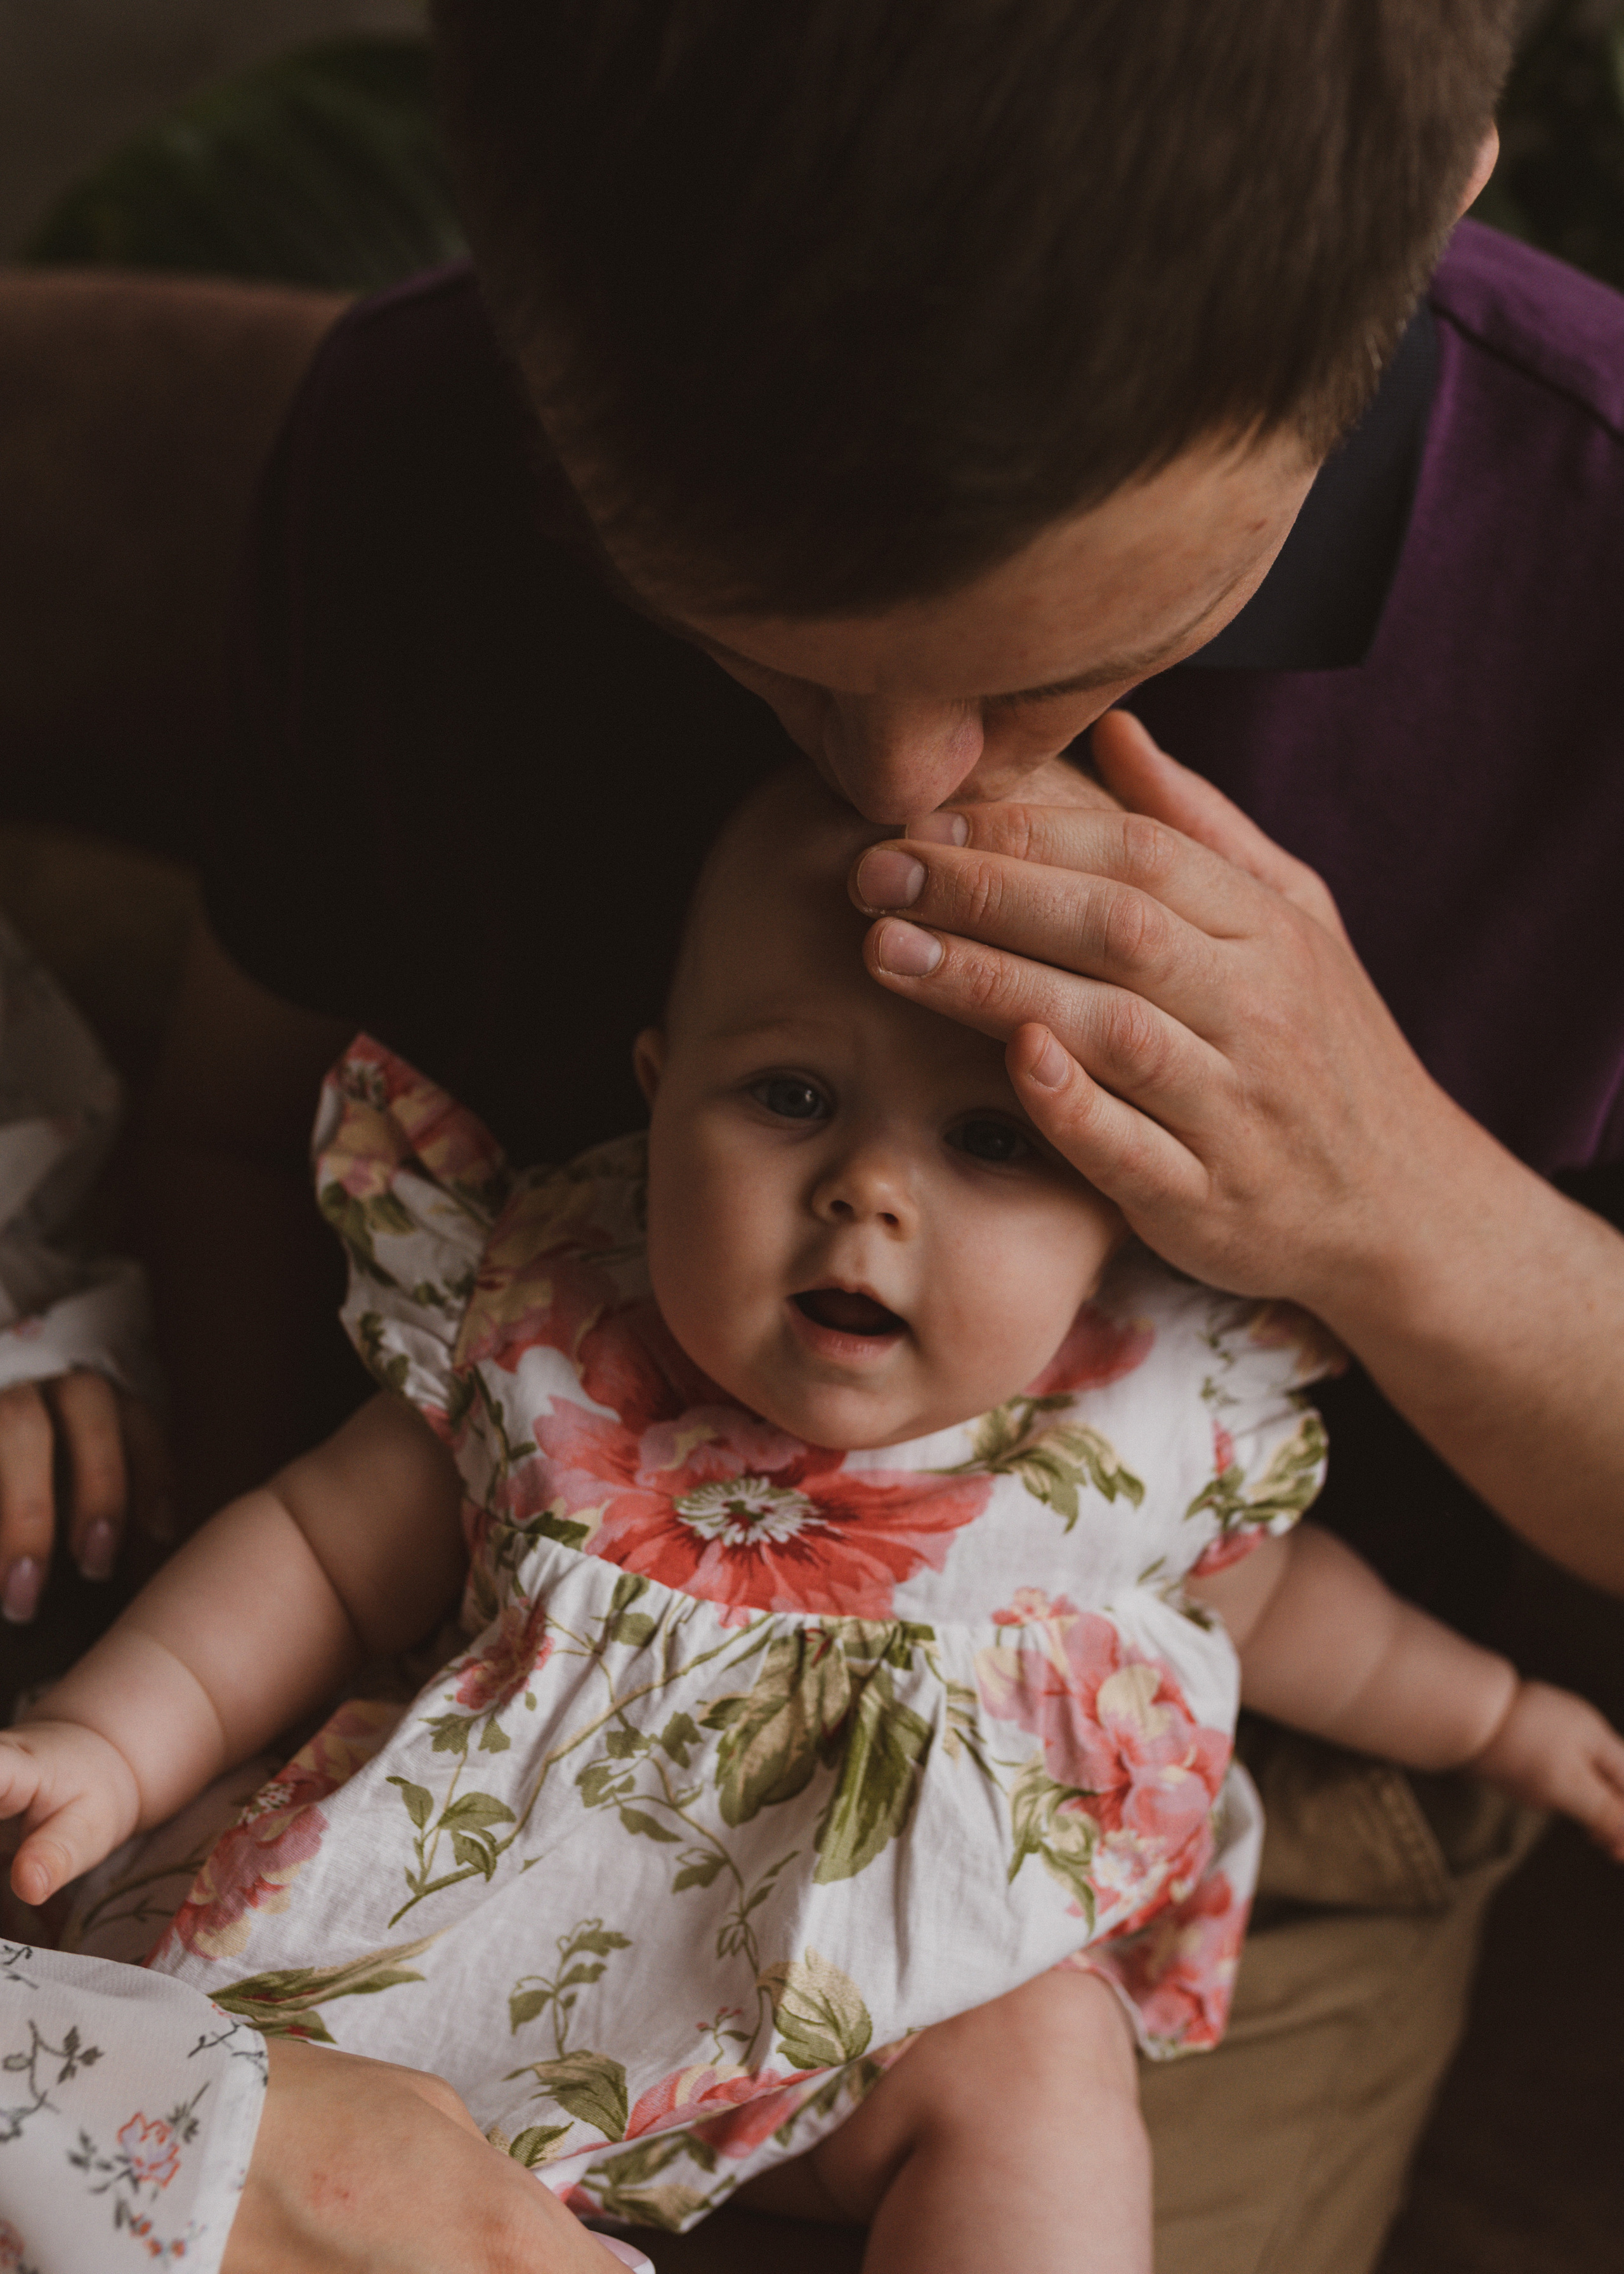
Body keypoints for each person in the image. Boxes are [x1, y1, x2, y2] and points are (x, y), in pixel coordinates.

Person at [93, 1, 1624, 2267]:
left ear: (1424, 220)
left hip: (1171, 1827)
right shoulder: (433, 442)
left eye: (1066, 652)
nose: (902, 801)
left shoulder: (1586, 574)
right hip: (473, 1692)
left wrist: (1395, 1200)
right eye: (758, 649)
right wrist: (221, 1702)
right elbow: (238, 1127)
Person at [7, 770, 1623, 2274]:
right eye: (788, 1094)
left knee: (1042, 2068)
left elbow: (1285, 1617)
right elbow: (302, 1555)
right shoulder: (551, 1337)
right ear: (657, 1099)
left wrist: (1502, 1717)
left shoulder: (1133, 1420)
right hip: (485, 1935)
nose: (868, 1190)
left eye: (988, 1140)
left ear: (1116, 1203)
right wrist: (106, 1739)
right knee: (194, 2068)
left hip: (885, 2006)